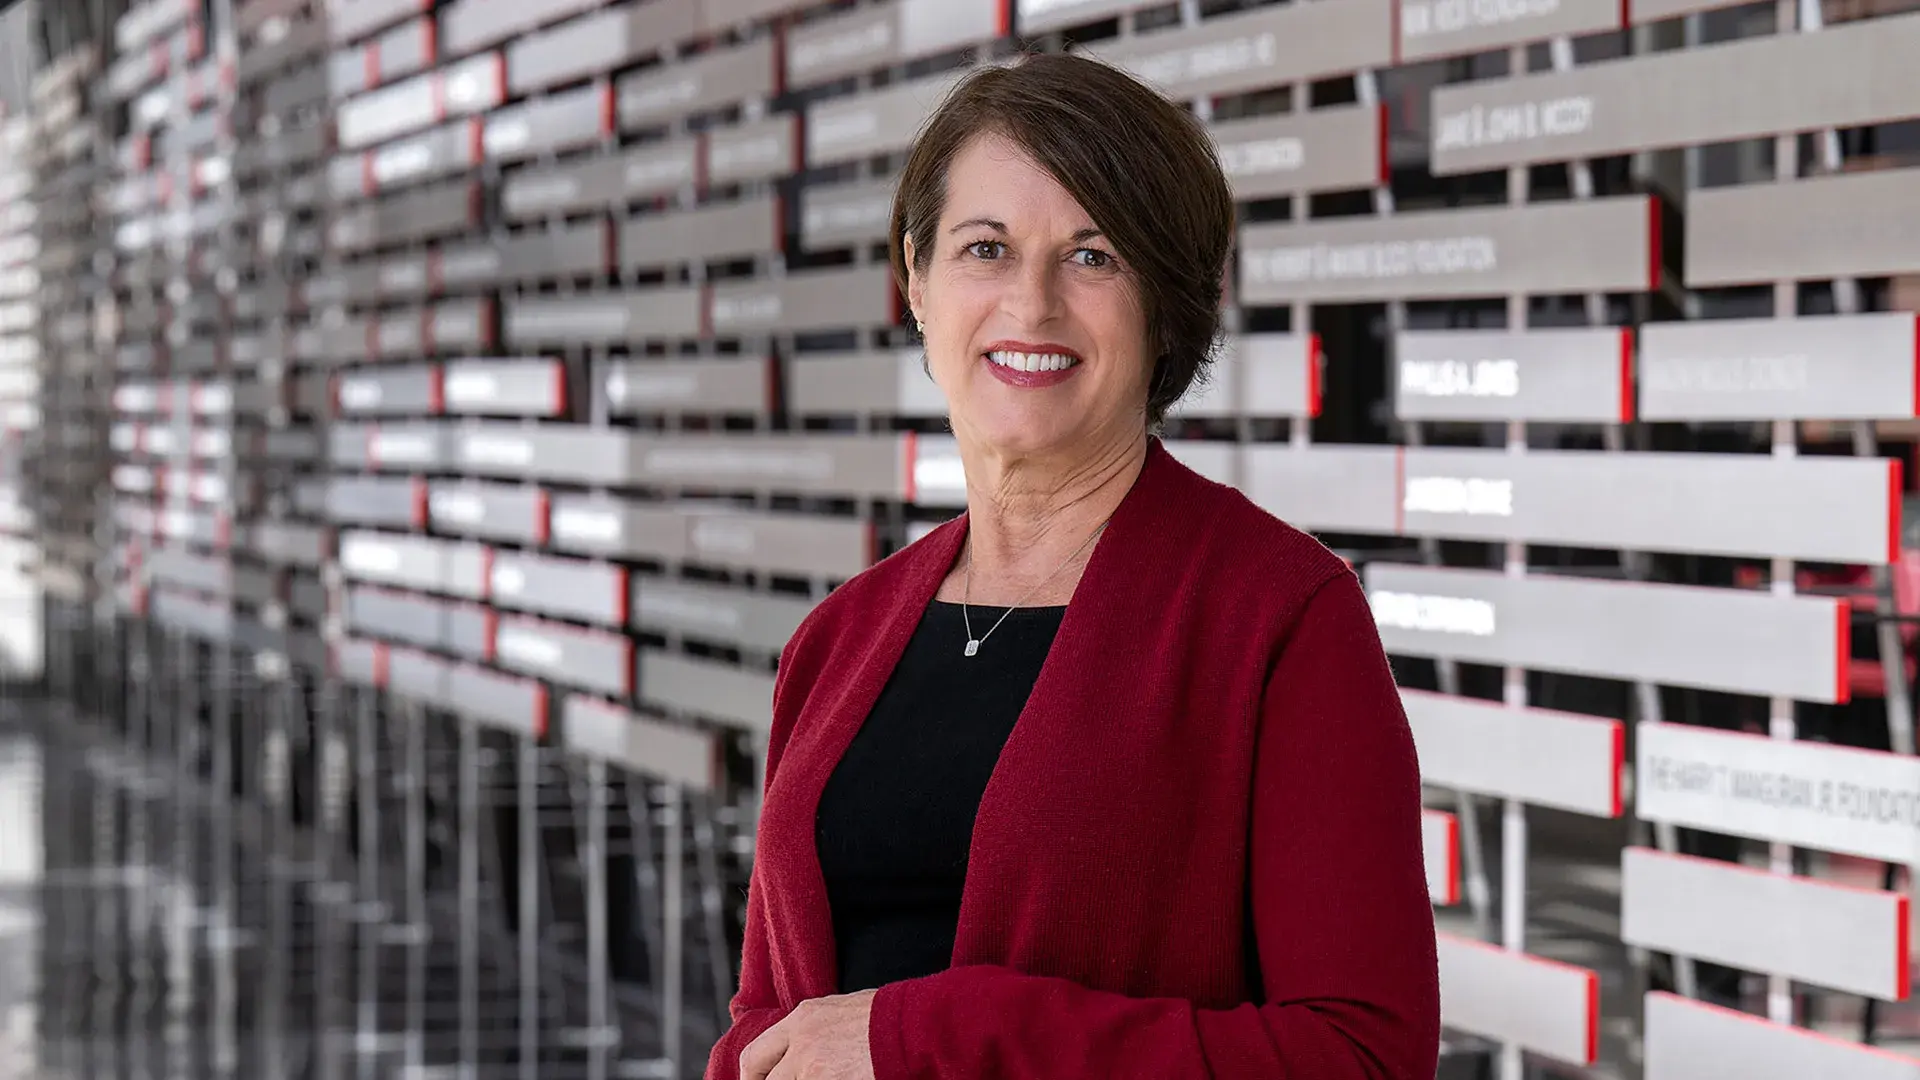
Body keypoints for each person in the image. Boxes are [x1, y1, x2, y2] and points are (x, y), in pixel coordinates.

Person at [707, 50, 1439, 1080]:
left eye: (1093, 257)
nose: (1034, 304)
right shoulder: (840, 638)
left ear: (1166, 305)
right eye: (986, 248)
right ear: (916, 279)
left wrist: (934, 1040)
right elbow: (774, 1017)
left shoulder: (1281, 619)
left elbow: (1364, 1057)